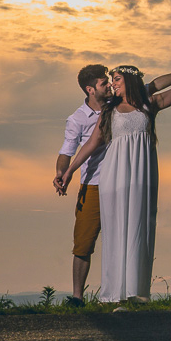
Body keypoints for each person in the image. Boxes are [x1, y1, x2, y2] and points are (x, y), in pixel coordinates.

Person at [60, 52, 171, 303]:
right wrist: (68, 171)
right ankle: (114, 293)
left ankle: (135, 291)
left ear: (130, 81)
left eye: (117, 79)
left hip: (142, 176)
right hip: (113, 177)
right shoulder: (109, 110)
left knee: (138, 229)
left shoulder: (149, 103)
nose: (113, 83)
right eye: (110, 80)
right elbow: (90, 144)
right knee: (115, 232)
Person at [54, 64, 111, 306]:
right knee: (84, 243)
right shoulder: (77, 119)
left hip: (121, 182)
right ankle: (77, 297)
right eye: (103, 82)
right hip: (94, 184)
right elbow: (66, 151)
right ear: (90, 89)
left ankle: (121, 293)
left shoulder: (118, 107)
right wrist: (60, 172)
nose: (109, 85)